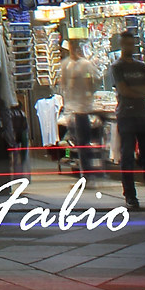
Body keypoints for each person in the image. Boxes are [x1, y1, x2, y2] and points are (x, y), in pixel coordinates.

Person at [110, 32, 145, 210]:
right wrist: (142, 91)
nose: (128, 47)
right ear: (121, 45)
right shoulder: (117, 67)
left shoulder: (141, 66)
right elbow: (123, 90)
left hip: (142, 116)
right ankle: (130, 195)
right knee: (127, 157)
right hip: (126, 116)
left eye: (131, 43)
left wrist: (136, 90)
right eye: (125, 44)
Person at [57, 42, 101, 184]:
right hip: (73, 109)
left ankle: (87, 173)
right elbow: (63, 84)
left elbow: (90, 83)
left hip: (82, 109)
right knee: (77, 141)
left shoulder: (84, 65)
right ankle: (84, 171)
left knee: (82, 142)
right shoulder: (66, 64)